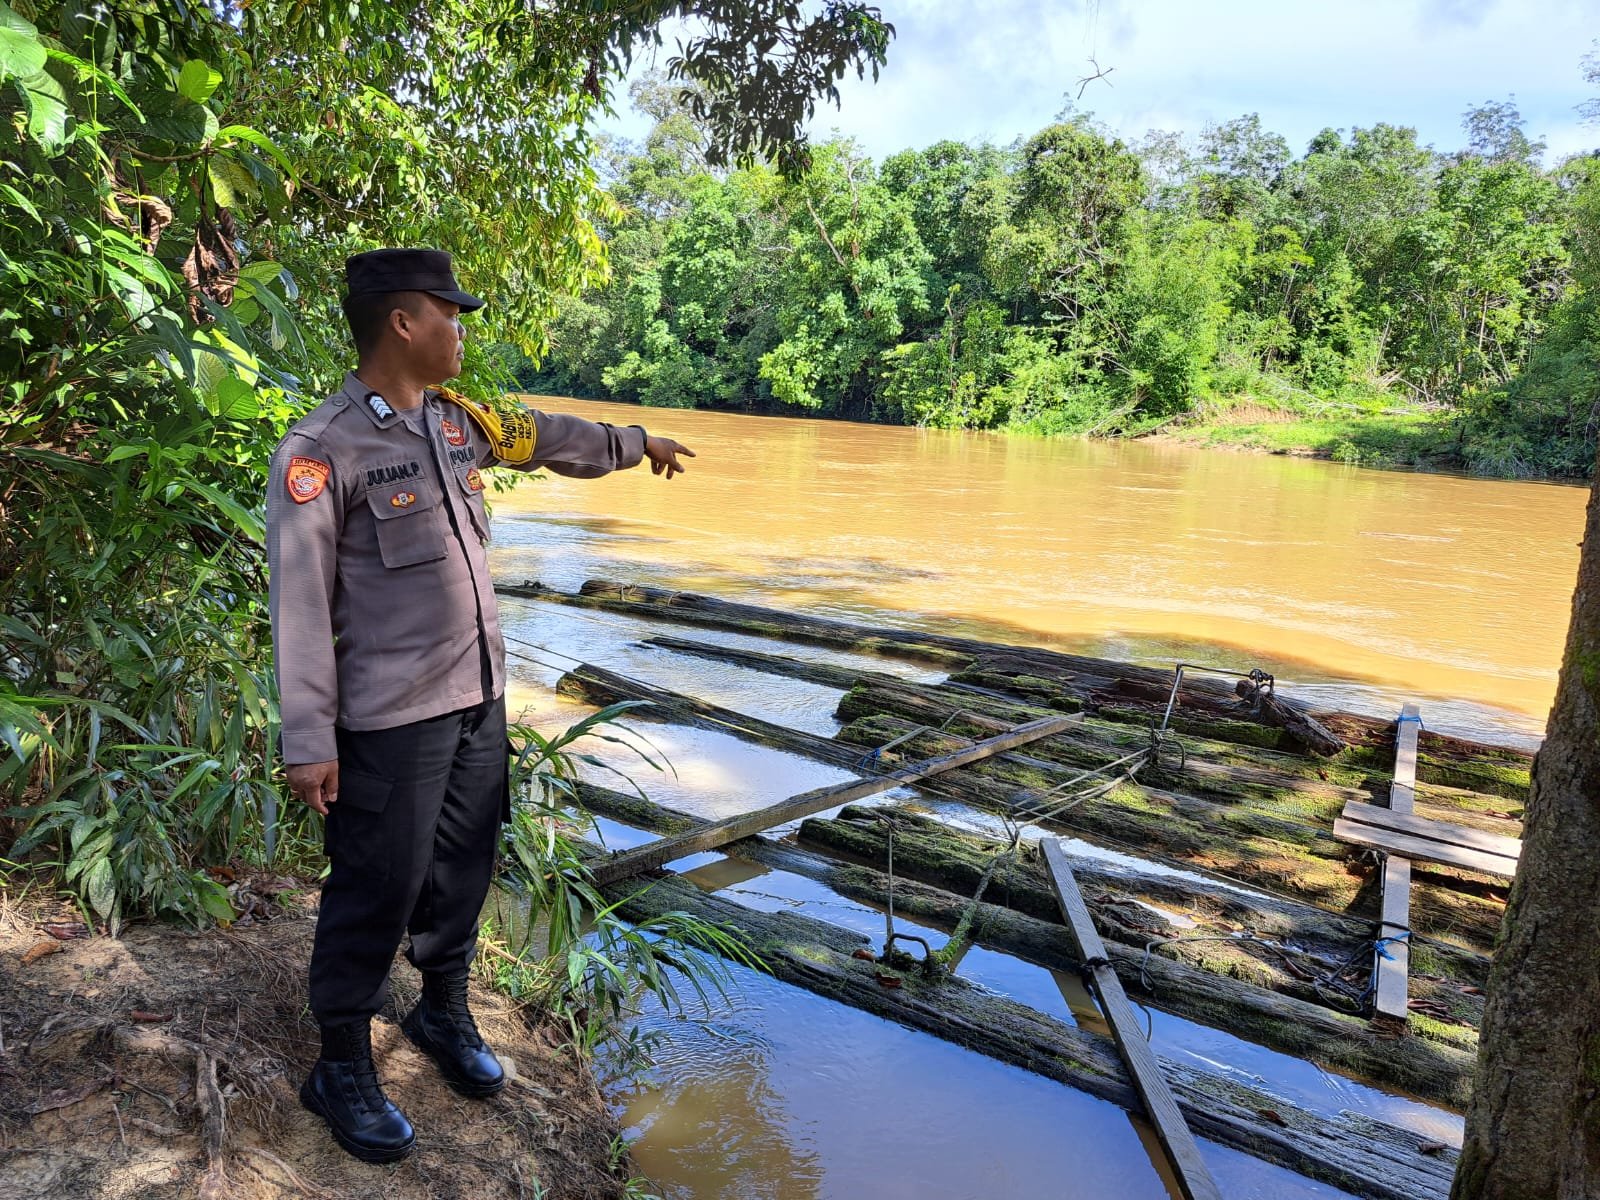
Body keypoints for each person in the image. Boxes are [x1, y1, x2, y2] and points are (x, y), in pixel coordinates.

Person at [265, 248, 693, 1163]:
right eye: (449, 314)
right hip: (391, 718)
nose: (460, 330)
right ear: (402, 322)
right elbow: (298, 605)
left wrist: (636, 443)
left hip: (477, 699)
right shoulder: (321, 451)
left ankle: (441, 1010)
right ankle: (340, 1064)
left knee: (463, 865)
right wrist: (307, 738)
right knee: (376, 886)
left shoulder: (458, 423)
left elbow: (551, 436)